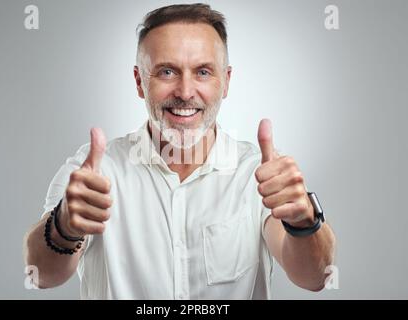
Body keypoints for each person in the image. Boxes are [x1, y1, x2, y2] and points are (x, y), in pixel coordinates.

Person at [23, 3, 335, 299]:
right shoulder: (94, 173)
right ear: (139, 82)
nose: (185, 92)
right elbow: (40, 274)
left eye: (202, 72)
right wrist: (64, 226)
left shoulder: (261, 174)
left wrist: (303, 220)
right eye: (167, 72)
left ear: (225, 82)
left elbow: (314, 277)